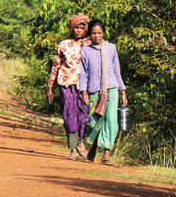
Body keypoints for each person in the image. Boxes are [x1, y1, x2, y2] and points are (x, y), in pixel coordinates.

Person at [79, 19, 127, 166]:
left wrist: (123, 91)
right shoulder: (86, 51)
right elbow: (83, 73)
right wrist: (83, 91)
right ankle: (90, 145)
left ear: (104, 33)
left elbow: (117, 70)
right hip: (94, 91)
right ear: (89, 35)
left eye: (99, 33)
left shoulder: (111, 48)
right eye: (93, 33)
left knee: (111, 121)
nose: (97, 36)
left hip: (111, 89)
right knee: (94, 122)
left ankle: (106, 154)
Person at [47, 14, 91, 160]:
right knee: (69, 116)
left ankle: (79, 141)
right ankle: (74, 147)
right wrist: (50, 87)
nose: (79, 31)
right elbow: (56, 66)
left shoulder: (89, 45)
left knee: (82, 116)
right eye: (76, 28)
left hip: (83, 86)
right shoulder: (64, 45)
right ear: (72, 29)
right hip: (65, 84)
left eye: (82, 28)